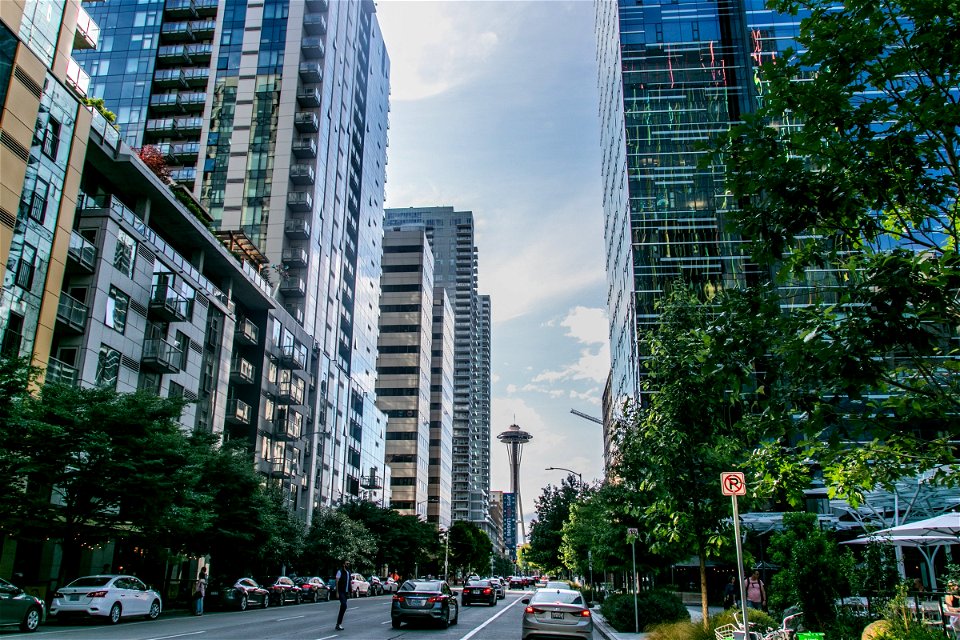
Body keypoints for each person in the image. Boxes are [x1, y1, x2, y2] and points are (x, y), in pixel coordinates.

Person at [335, 560, 351, 630]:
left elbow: (349, 581)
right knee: (344, 605)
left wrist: (350, 590)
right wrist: (337, 592)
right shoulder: (340, 571)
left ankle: (338, 624)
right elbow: (337, 581)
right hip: (341, 591)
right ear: (343, 564)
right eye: (347, 563)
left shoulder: (349, 572)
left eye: (349, 564)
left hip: (346, 592)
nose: (348, 565)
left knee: (343, 607)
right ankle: (338, 623)